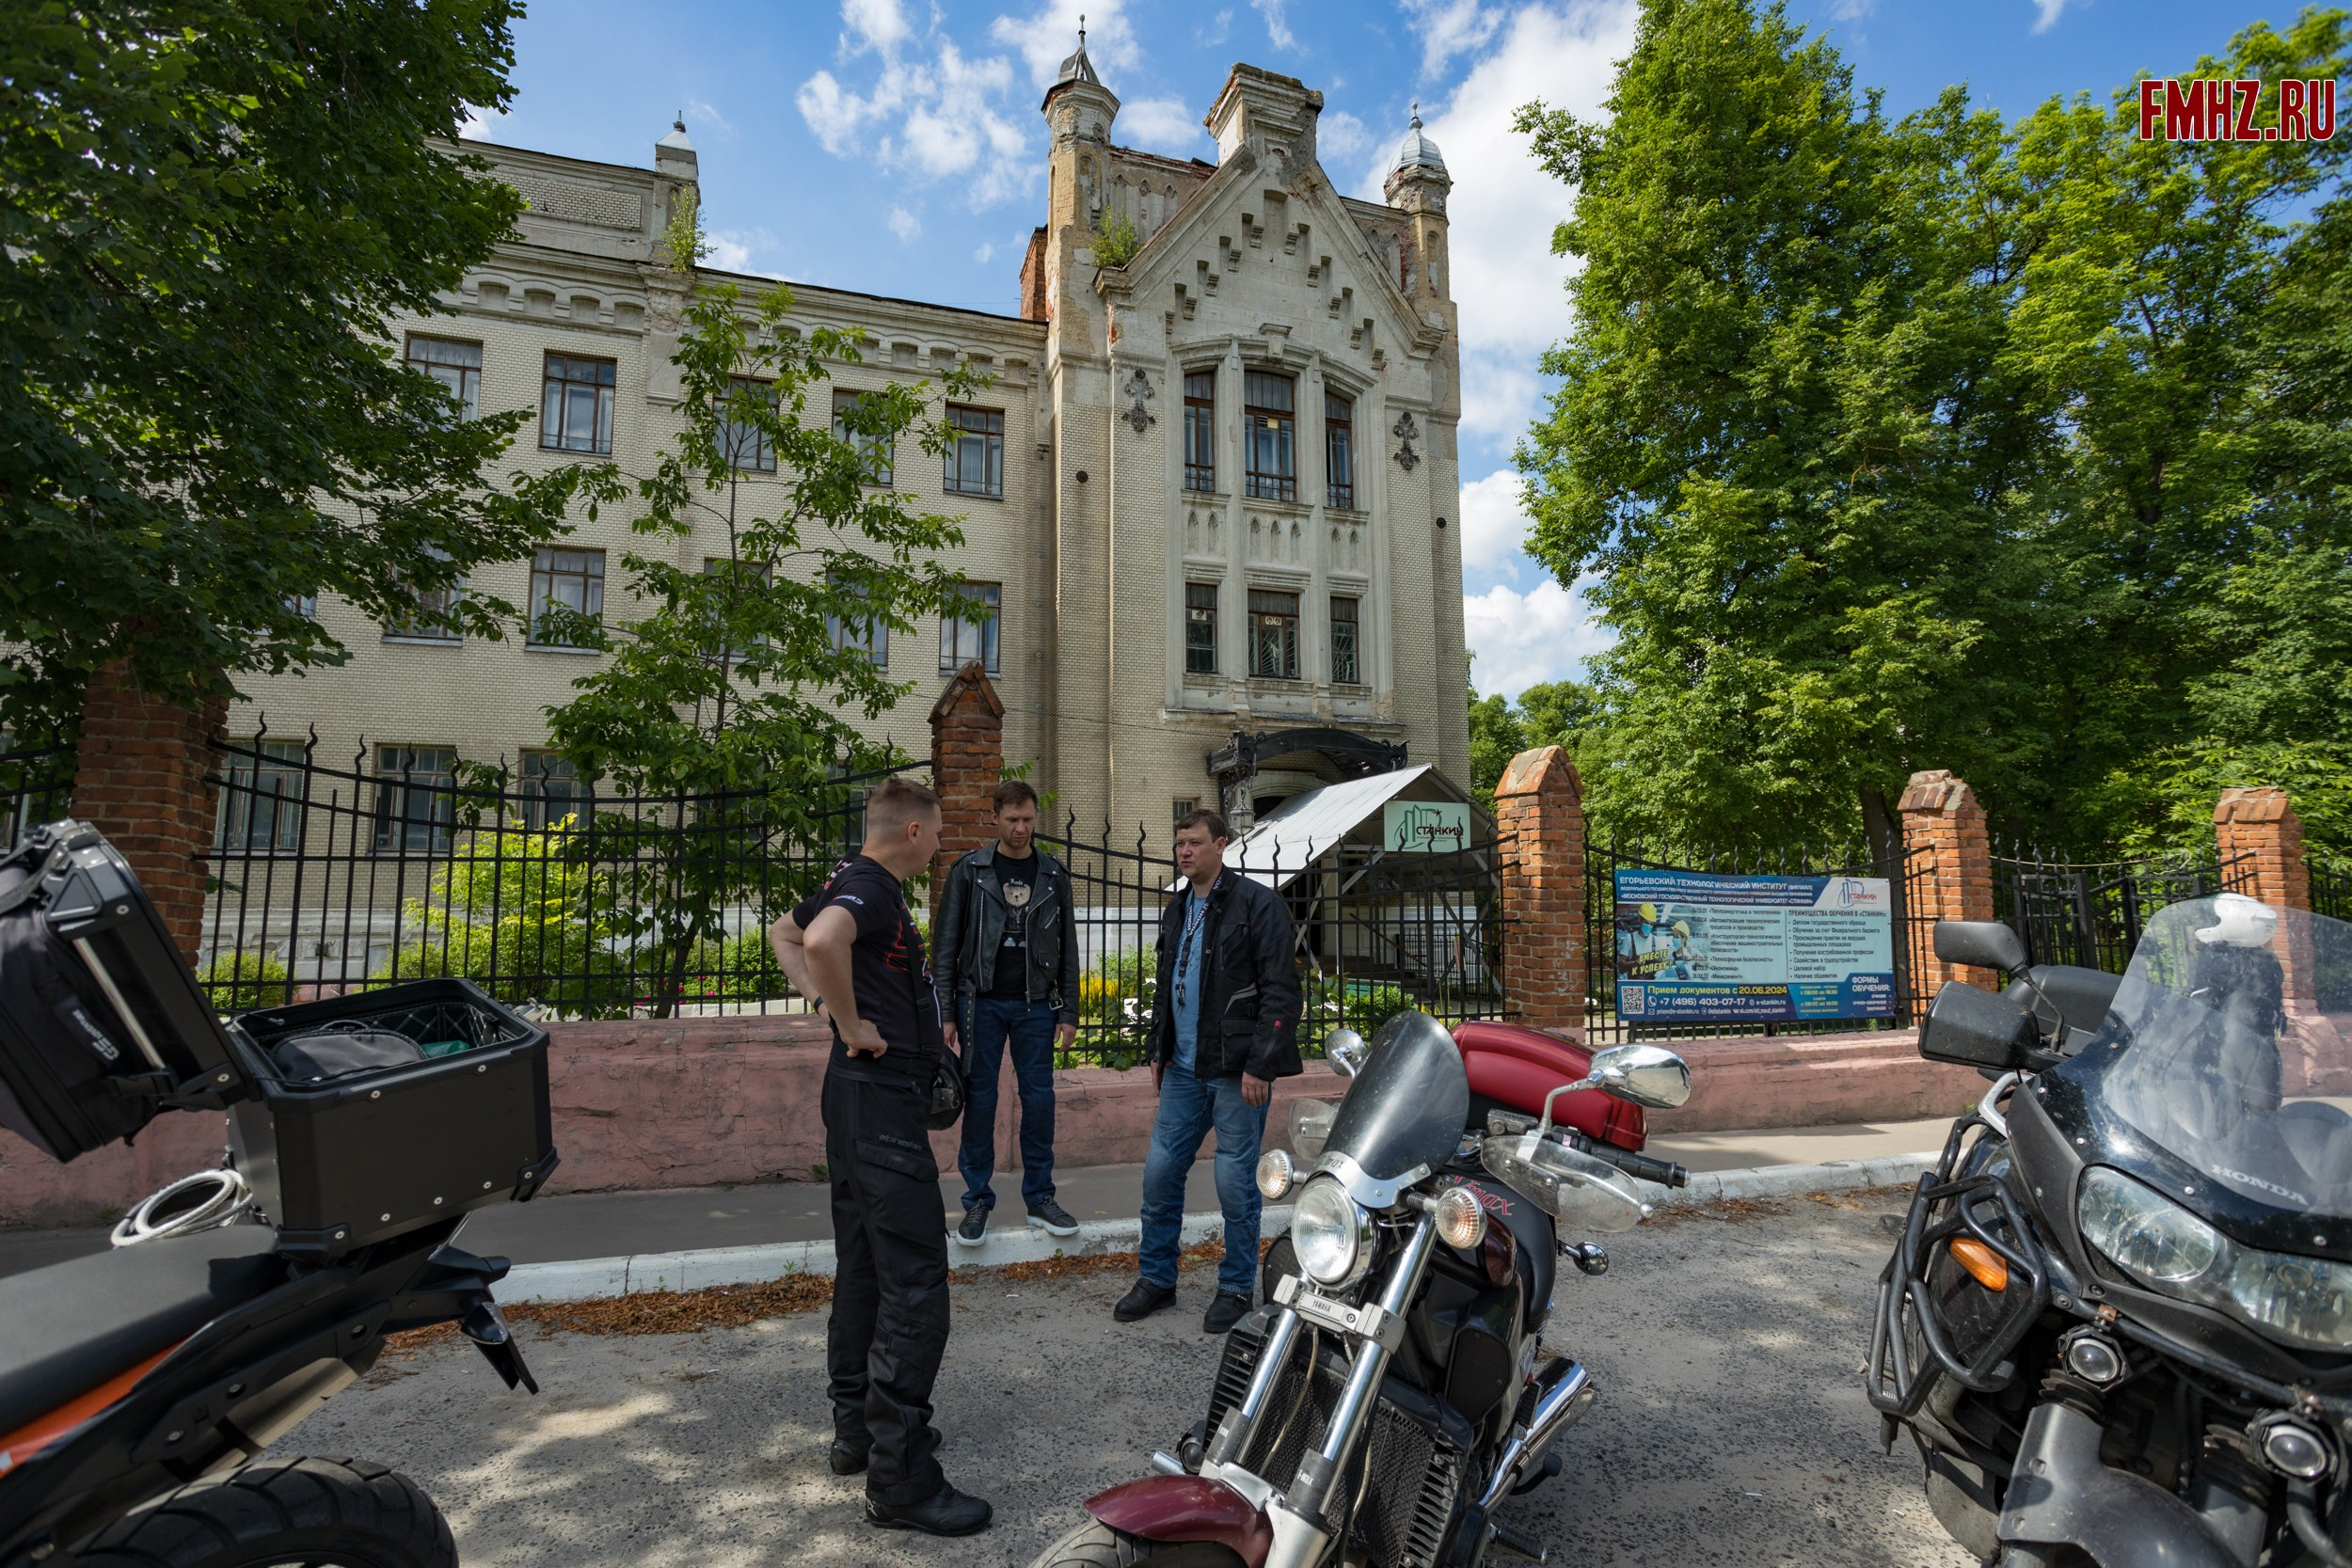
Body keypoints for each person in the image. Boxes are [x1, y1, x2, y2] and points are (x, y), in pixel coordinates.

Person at [769, 777, 990, 1538]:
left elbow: (784, 933)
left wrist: (830, 1006)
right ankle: (900, 1479)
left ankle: (858, 1432)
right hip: (879, 1101)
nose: (939, 846)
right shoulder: (869, 886)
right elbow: (817, 941)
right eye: (937, 833)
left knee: (864, 1262)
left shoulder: (850, 877)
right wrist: (850, 1020)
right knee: (915, 1281)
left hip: (856, 1101)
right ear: (913, 832)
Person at [1115, 808, 1303, 1335]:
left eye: (1195, 842)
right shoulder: (1178, 908)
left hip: (1237, 1072)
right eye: (1180, 842)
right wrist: (1159, 1048)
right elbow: (1167, 983)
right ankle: (1157, 1279)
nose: (1185, 851)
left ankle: (1236, 1287)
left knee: (1234, 1184)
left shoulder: (1257, 905)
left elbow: (1281, 991)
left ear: (1222, 844)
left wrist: (1261, 1064)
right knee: (1159, 1174)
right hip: (1183, 1069)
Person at [931, 779, 1082, 1246]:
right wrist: (946, 1012)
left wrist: (1070, 1011)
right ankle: (977, 1201)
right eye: (1012, 819)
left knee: (1039, 1100)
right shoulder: (971, 871)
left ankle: (1040, 1198)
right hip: (980, 1002)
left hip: (1038, 1004)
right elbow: (946, 944)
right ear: (994, 817)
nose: (1021, 828)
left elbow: (1069, 947)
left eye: (1028, 819)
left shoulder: (1053, 874)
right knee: (981, 1100)